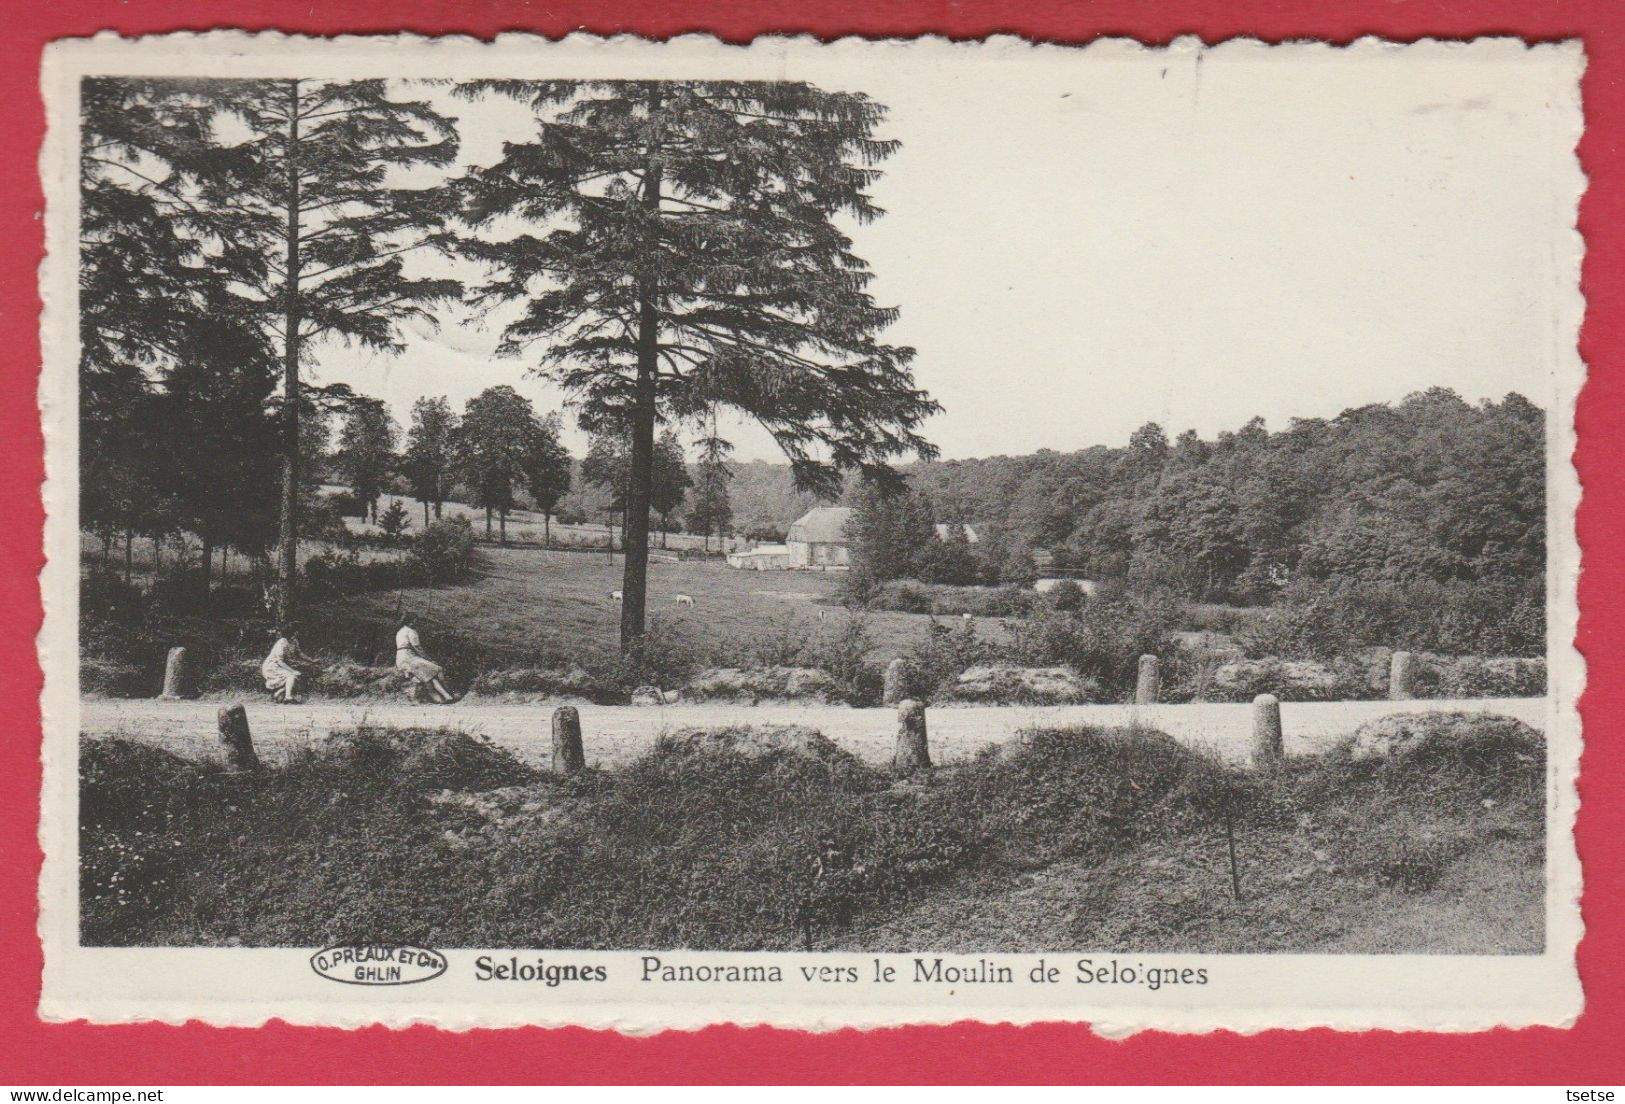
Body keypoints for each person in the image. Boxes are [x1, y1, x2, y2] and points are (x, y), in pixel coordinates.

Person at [396, 613, 458, 704]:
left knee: (428, 678)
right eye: (415, 621)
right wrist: (428, 659)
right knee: (438, 669)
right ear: (411, 621)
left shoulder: (400, 631)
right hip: (409, 657)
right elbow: (417, 647)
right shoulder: (411, 631)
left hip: (400, 658)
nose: (416, 623)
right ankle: (449, 693)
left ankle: (443, 698)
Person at [262, 624, 320, 704]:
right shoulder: (282, 643)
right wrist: (292, 671)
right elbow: (279, 661)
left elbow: (299, 653)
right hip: (272, 666)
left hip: (281, 665)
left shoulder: (294, 640)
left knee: (298, 677)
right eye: (296, 631)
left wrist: (311, 660)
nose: (298, 633)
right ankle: (288, 697)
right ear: (292, 632)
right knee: (291, 675)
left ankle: (278, 693)